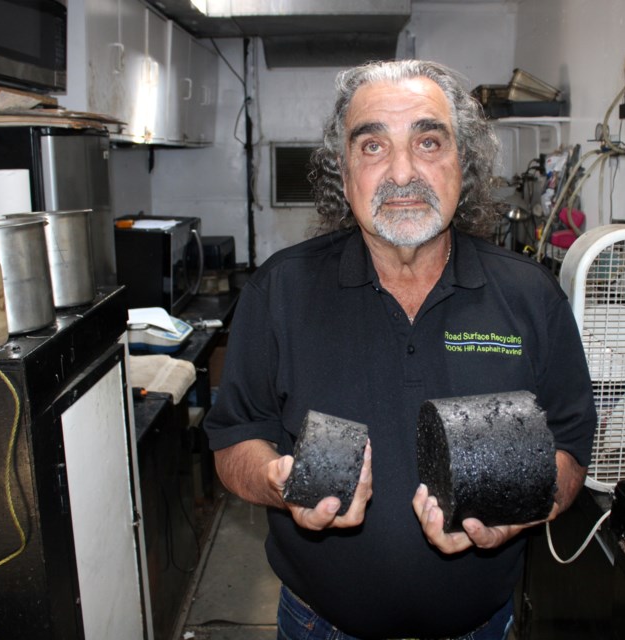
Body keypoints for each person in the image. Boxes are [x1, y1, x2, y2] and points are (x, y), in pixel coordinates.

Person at [204, 59, 597, 640]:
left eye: (429, 140)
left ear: (464, 161)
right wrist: (282, 484)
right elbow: (235, 438)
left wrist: (521, 507)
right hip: (318, 624)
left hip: (481, 627)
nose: (402, 172)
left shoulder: (529, 296)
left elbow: (568, 449)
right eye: (372, 147)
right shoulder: (279, 292)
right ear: (344, 170)